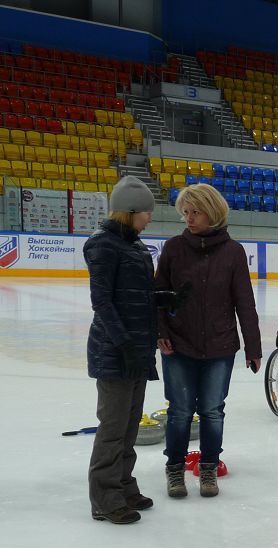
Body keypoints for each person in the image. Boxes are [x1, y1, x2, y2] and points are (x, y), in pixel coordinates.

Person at [155, 183, 261, 499]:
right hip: (178, 344)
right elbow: (158, 296)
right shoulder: (173, 248)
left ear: (212, 213)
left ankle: (209, 467)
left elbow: (245, 302)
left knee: (213, 410)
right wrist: (161, 333)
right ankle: (175, 469)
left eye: (196, 212)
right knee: (180, 411)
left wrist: (253, 347)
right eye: (186, 212)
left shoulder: (233, 252)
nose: (189, 218)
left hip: (220, 346)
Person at [84, 177, 160, 525]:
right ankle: (104, 498)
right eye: (146, 212)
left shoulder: (138, 246)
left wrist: (165, 299)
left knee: (129, 427)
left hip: (138, 348)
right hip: (114, 350)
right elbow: (102, 301)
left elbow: (138, 294)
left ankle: (124, 485)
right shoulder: (102, 245)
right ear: (130, 211)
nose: (150, 218)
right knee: (113, 428)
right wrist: (124, 343)